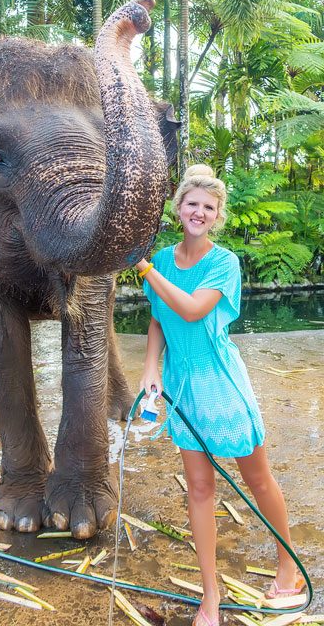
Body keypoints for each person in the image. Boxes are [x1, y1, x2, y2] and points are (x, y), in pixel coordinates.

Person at [136, 164, 303, 626]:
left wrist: (145, 268)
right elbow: (158, 319)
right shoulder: (164, 260)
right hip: (183, 388)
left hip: (223, 385)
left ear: (217, 216)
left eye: (209, 207)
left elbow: (189, 311)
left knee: (258, 479)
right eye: (192, 203)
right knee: (201, 489)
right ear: (179, 207)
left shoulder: (224, 263)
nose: (199, 212)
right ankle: (211, 594)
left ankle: (288, 569)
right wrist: (152, 370)